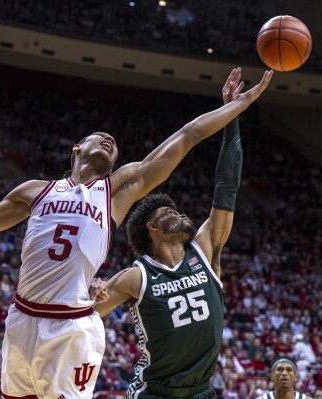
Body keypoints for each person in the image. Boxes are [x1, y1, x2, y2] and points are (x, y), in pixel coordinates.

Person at [0, 68, 273, 399]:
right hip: (20, 319)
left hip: (71, 327)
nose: (110, 140)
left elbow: (188, 136)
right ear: (76, 149)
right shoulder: (34, 192)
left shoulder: (117, 191)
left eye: (115, 144)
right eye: (100, 137)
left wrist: (239, 106)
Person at [92, 71, 248, 398]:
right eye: (170, 213)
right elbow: (79, 312)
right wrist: (89, 290)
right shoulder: (136, 277)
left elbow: (227, 187)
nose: (181, 215)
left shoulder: (205, 250)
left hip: (204, 392)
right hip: (155, 394)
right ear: (152, 227)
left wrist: (232, 115)